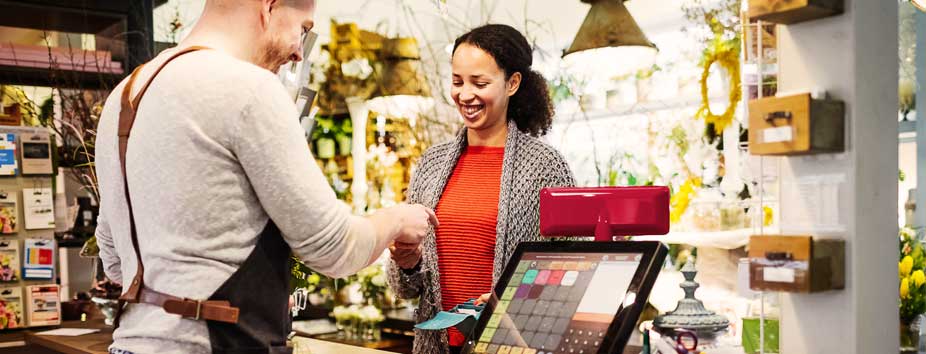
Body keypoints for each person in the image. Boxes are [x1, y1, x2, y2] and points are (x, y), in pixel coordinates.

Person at [94, 1, 437, 353]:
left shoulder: (126, 95)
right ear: (269, 6)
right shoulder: (247, 87)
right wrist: (396, 219)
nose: (299, 54)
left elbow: (114, 257)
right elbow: (334, 248)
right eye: (302, 29)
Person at [386, 24, 576, 354]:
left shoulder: (545, 166)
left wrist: (516, 303)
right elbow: (405, 288)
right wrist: (406, 262)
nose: (464, 94)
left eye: (480, 83)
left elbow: (574, 269)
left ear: (512, 83)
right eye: (457, 81)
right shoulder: (432, 164)